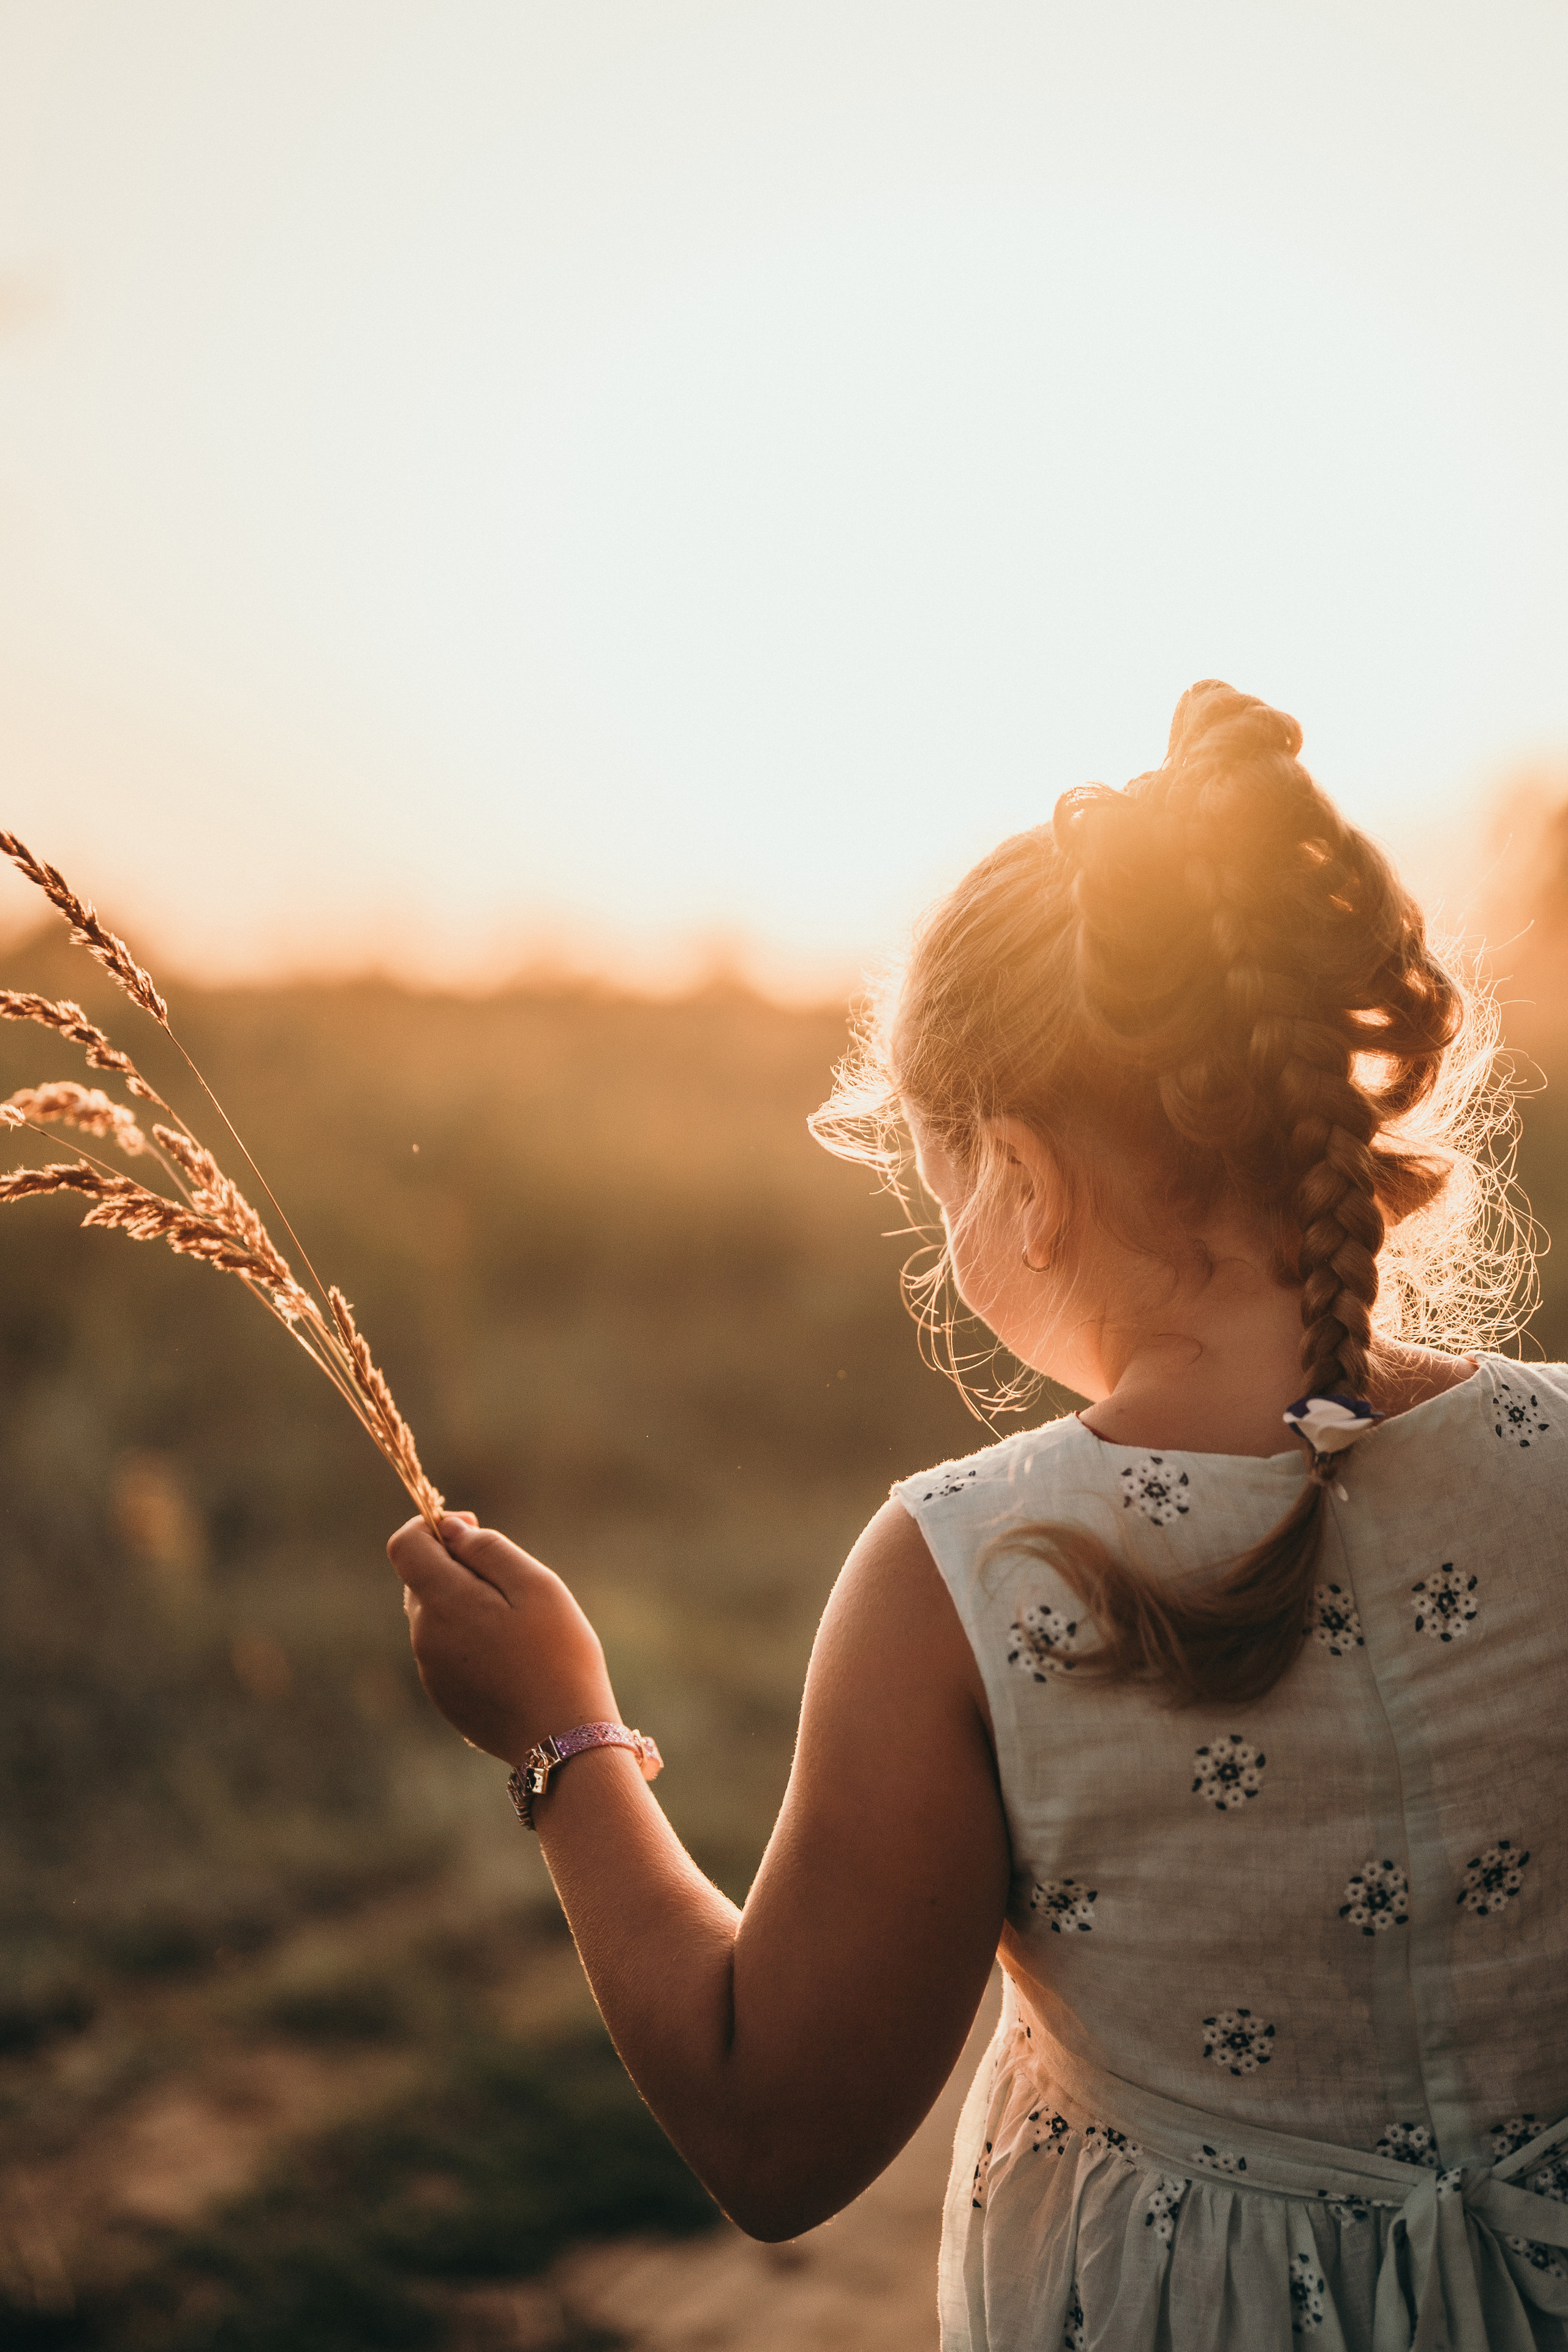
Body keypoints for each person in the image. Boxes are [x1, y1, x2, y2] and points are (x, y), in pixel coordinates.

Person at [388, 681, 1568, 2350]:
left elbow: (776, 2129)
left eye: (939, 1177)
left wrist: (562, 1739)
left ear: (1019, 1173)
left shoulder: (971, 1575)